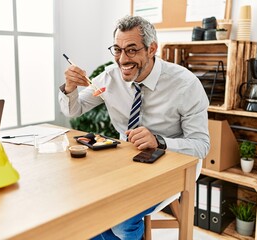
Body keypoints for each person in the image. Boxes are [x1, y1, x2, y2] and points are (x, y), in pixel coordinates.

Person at [58, 15, 210, 240]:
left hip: (175, 162)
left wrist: (159, 141)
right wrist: (70, 87)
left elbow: (201, 146)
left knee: (120, 221)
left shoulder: (185, 84)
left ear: (152, 49)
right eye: (117, 50)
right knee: (85, 208)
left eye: (131, 50)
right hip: (126, 160)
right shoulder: (110, 77)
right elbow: (73, 110)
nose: (122, 59)